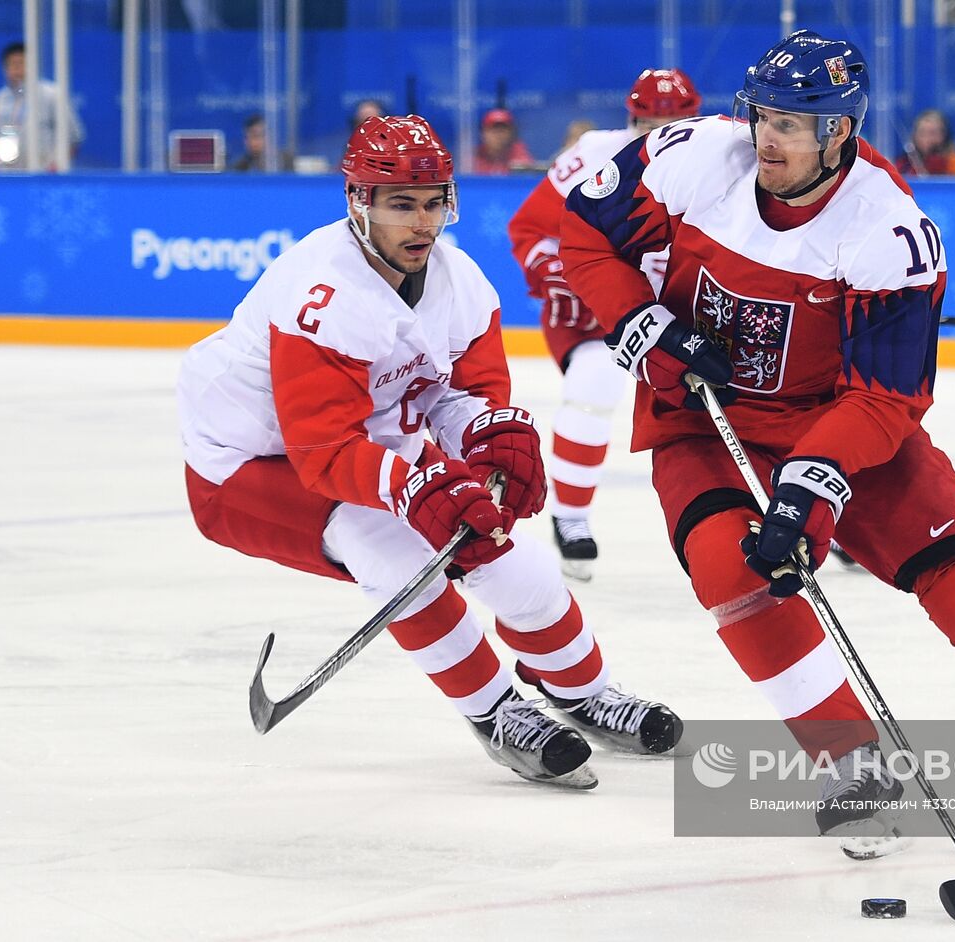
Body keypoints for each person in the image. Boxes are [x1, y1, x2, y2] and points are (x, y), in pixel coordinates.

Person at [559, 30, 955, 838]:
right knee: (728, 568)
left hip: (835, 421)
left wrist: (808, 485)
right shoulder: (694, 157)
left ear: (840, 132)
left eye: (791, 123)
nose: (766, 137)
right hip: (707, 421)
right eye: (763, 115)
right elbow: (586, 234)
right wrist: (641, 319)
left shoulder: (886, 228)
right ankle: (849, 763)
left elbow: (887, 398)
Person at [177, 114, 685, 789]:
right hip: (246, 463)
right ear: (358, 203)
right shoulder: (320, 297)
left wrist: (493, 437)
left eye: (433, 202)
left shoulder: (460, 281)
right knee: (392, 548)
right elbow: (323, 450)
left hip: (369, 440)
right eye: (400, 205)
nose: (422, 224)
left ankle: (584, 689)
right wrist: (417, 487)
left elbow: (461, 392)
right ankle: (496, 712)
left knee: (505, 549)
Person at [507, 68, 702, 580]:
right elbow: (531, 228)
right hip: (596, 310)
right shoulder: (594, 154)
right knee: (594, 383)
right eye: (650, 122)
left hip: (687, 310)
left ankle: (813, 521)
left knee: (756, 405)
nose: (661, 133)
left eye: (675, 121)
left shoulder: (726, 158)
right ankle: (570, 516)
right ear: (631, 118)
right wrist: (557, 275)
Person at [0, 41, 84, 171]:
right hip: (6, 176)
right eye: (12, 64)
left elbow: (73, 137)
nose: (17, 69)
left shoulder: (52, 94)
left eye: (21, 63)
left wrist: (54, 167)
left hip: (43, 176)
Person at [894, 108, 955, 176]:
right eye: (922, 133)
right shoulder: (903, 165)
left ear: (945, 136)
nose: (926, 138)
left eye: (932, 133)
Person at [473, 108, 536, 175]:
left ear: (511, 133)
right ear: (483, 133)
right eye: (494, 131)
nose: (498, 136)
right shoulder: (475, 155)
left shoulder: (518, 152)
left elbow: (527, 174)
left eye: (502, 131)